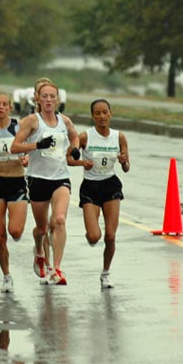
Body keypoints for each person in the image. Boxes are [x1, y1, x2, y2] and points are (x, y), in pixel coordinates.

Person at [11, 81, 81, 285]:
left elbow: (75, 136)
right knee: (42, 229)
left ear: (58, 100)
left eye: (52, 96)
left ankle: (57, 269)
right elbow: (15, 147)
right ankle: (39, 249)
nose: (49, 100)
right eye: (45, 96)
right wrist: (36, 145)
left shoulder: (64, 121)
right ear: (37, 99)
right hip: (37, 179)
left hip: (60, 178)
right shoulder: (32, 121)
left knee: (59, 220)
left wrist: (74, 149)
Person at [71, 99, 130, 289]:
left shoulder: (119, 137)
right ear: (92, 116)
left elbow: (127, 167)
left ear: (111, 114)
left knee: (110, 236)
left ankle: (105, 272)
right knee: (94, 236)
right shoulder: (84, 137)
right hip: (90, 187)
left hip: (111, 185)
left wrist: (123, 161)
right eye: (97, 113)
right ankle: (91, 233)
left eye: (105, 112)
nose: (102, 116)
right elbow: (68, 159)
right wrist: (82, 163)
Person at [0, 93, 29, 294]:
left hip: (16, 181)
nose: (1, 107)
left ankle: (19, 232)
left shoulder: (18, 126)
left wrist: (26, 158)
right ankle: (6, 276)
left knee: (15, 231)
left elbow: (29, 147)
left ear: (10, 107)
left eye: (5, 104)